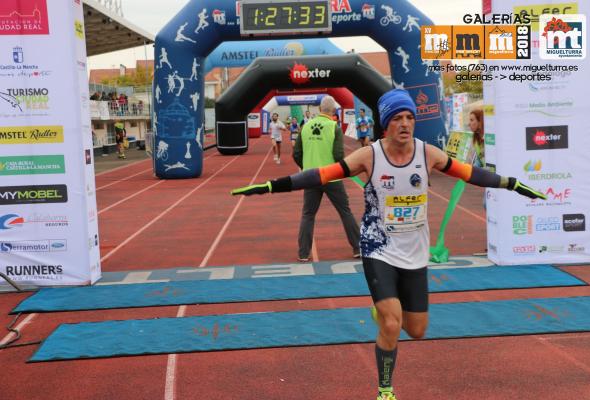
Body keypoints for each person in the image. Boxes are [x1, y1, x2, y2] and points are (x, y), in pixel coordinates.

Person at [231, 89, 546, 400]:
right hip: (377, 246)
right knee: (392, 321)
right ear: (386, 124)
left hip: (415, 251)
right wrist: (273, 185)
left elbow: (469, 173)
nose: (406, 124)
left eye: (410, 117)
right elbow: (323, 174)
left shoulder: (428, 153)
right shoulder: (370, 156)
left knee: (417, 329)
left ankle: (383, 310)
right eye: (398, 118)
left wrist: (512, 184)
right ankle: (385, 389)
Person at [293, 95, 361, 261]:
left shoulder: (306, 126)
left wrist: (306, 166)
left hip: (311, 177)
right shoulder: (334, 127)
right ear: (333, 111)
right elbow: (338, 155)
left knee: (308, 215)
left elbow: (296, 153)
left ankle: (303, 253)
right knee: (345, 212)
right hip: (331, 177)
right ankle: (357, 248)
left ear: (319, 109)